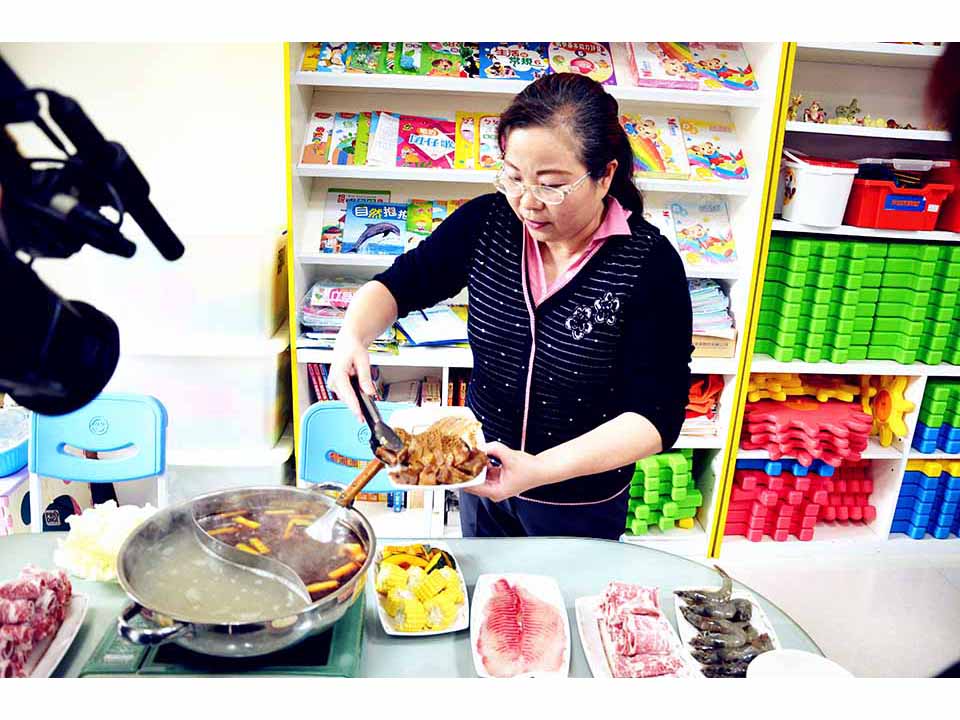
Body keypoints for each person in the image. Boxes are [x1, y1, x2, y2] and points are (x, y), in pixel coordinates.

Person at [328, 73, 692, 540]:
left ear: (605, 176)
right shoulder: (488, 223)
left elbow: (657, 416)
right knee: (486, 598)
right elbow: (402, 283)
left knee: (560, 605)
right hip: (480, 476)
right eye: (514, 177)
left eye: (552, 185)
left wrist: (538, 469)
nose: (526, 201)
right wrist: (352, 335)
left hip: (579, 498)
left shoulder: (648, 264)